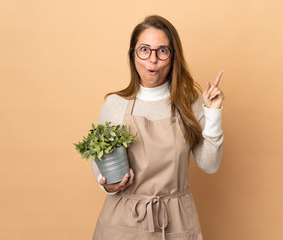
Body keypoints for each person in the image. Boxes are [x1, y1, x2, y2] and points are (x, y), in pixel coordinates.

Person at [91, 15, 224, 240]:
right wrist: (107, 185)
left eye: (162, 51)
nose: (152, 60)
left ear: (173, 58)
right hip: (122, 223)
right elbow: (100, 163)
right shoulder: (115, 104)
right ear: (133, 55)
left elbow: (209, 165)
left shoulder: (189, 102)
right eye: (144, 49)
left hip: (176, 222)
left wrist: (213, 113)